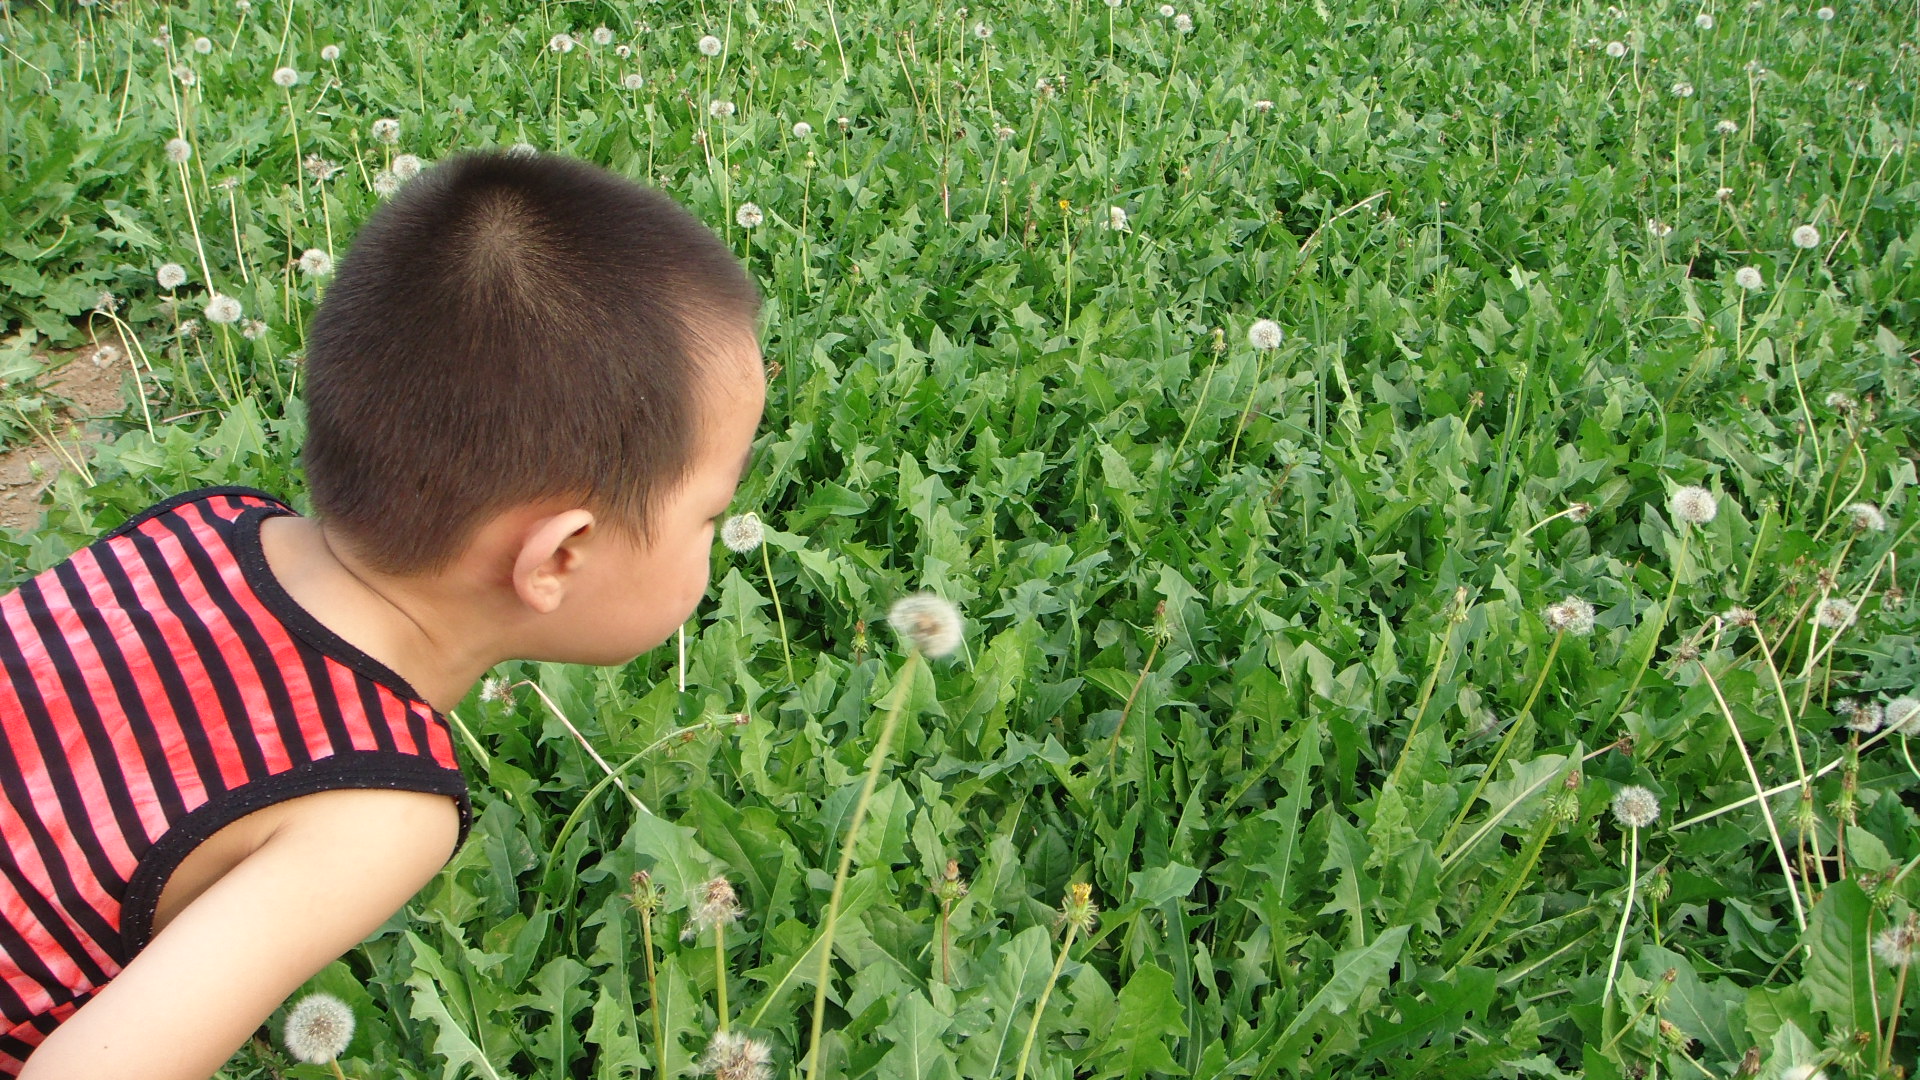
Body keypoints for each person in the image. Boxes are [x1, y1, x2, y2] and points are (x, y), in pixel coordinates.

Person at [1, 151, 765, 1078]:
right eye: (710, 513)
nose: (714, 538)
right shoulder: (374, 804)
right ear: (559, 555)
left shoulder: (209, 520)